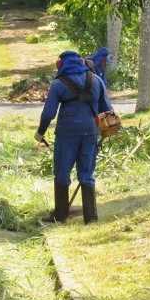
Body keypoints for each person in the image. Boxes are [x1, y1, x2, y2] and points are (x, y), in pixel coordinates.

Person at [35, 50, 112, 224]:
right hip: (90, 133)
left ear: (59, 65)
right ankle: (91, 218)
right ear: (82, 62)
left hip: (66, 134)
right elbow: (106, 109)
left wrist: (40, 132)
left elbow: (48, 113)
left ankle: (61, 216)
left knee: (62, 174)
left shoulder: (58, 84)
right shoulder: (96, 80)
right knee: (87, 175)